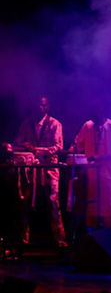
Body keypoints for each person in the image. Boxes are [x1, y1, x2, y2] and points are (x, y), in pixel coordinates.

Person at [14, 96, 67, 247]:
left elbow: (58, 147)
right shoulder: (27, 123)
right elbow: (19, 142)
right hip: (31, 170)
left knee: (53, 203)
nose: (39, 108)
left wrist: (36, 150)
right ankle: (23, 241)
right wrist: (11, 147)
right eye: (37, 105)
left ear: (47, 107)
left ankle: (61, 242)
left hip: (49, 169)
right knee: (25, 203)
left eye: (43, 105)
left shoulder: (55, 124)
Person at [73, 110, 111, 231]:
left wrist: (99, 157)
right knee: (92, 209)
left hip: (110, 176)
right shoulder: (88, 126)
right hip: (93, 175)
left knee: (109, 211)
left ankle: (110, 241)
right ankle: (92, 242)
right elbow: (77, 144)